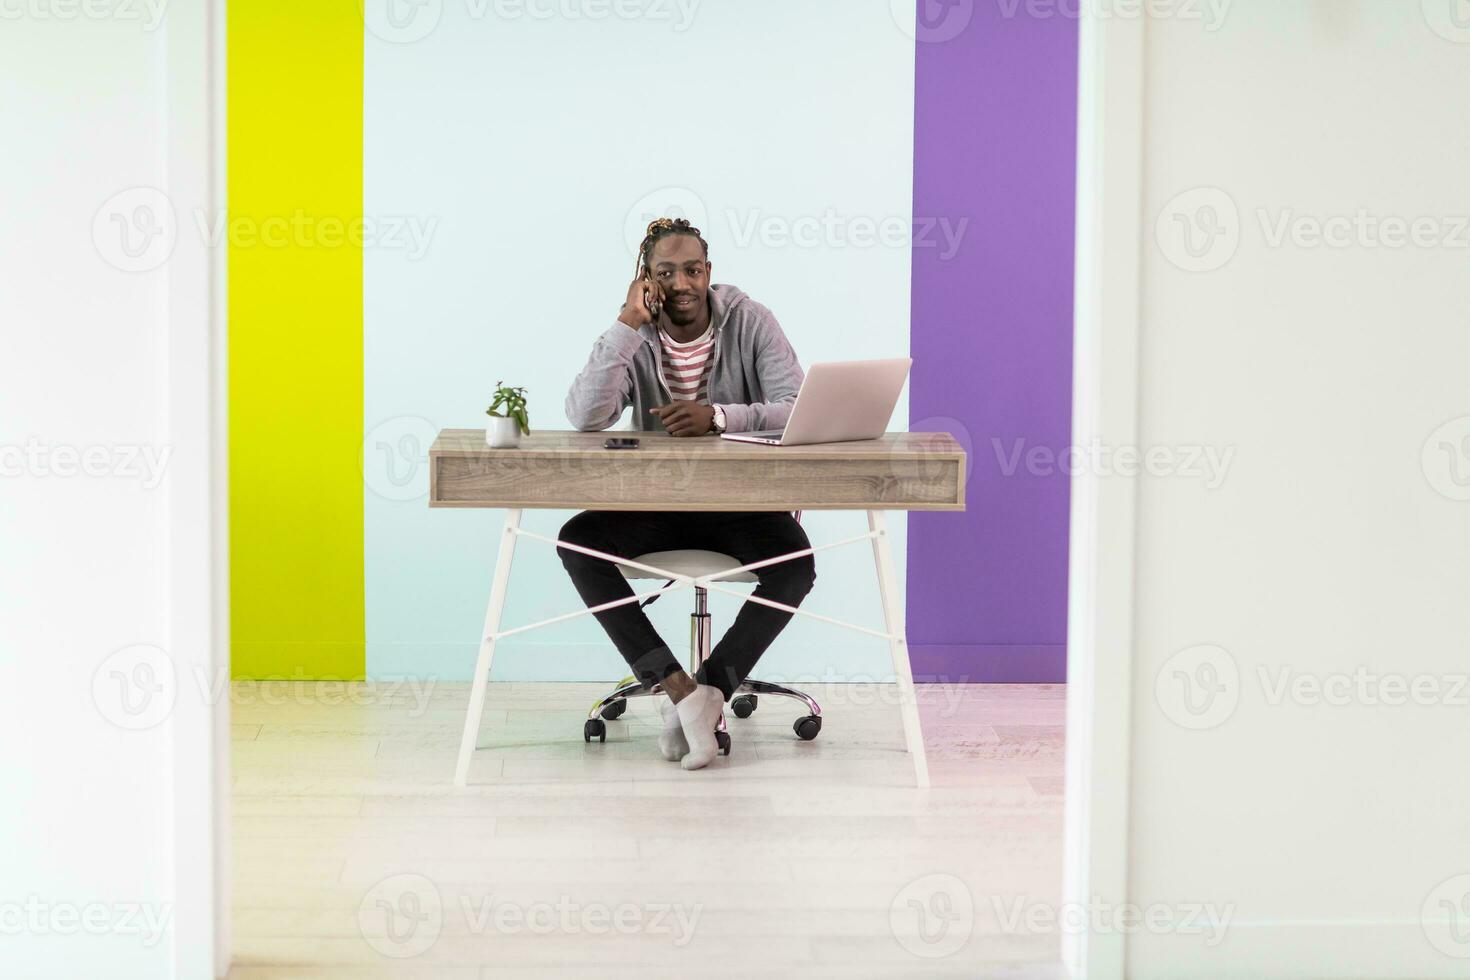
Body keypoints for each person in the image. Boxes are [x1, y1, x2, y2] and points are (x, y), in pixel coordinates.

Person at [558, 217, 817, 770]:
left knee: (796, 565)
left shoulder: (748, 319)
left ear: (708, 272)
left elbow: (796, 404)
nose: (681, 283)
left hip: (741, 502)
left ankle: (715, 688)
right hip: (657, 500)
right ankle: (680, 690)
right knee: (578, 541)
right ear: (646, 279)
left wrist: (719, 417)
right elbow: (585, 416)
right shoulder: (637, 333)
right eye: (665, 272)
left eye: (692, 270)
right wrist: (627, 323)